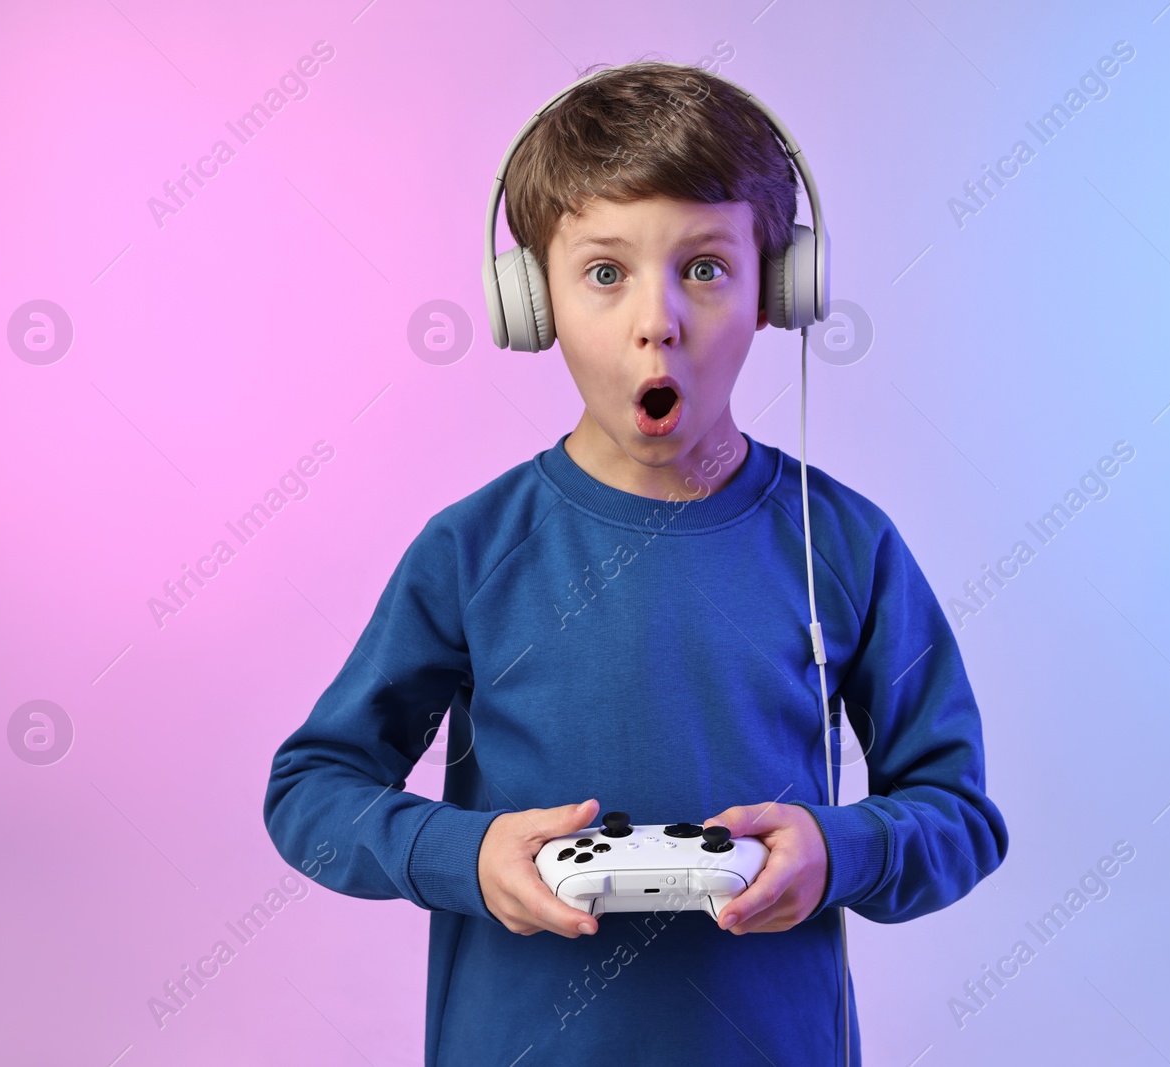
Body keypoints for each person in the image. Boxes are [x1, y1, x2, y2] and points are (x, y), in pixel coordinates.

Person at [264, 59, 1007, 1066]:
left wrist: (840, 849)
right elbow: (312, 789)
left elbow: (957, 811)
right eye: (604, 272)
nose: (656, 318)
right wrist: (466, 853)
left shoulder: (844, 543)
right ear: (533, 303)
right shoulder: (471, 549)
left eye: (704, 267)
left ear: (778, 292)